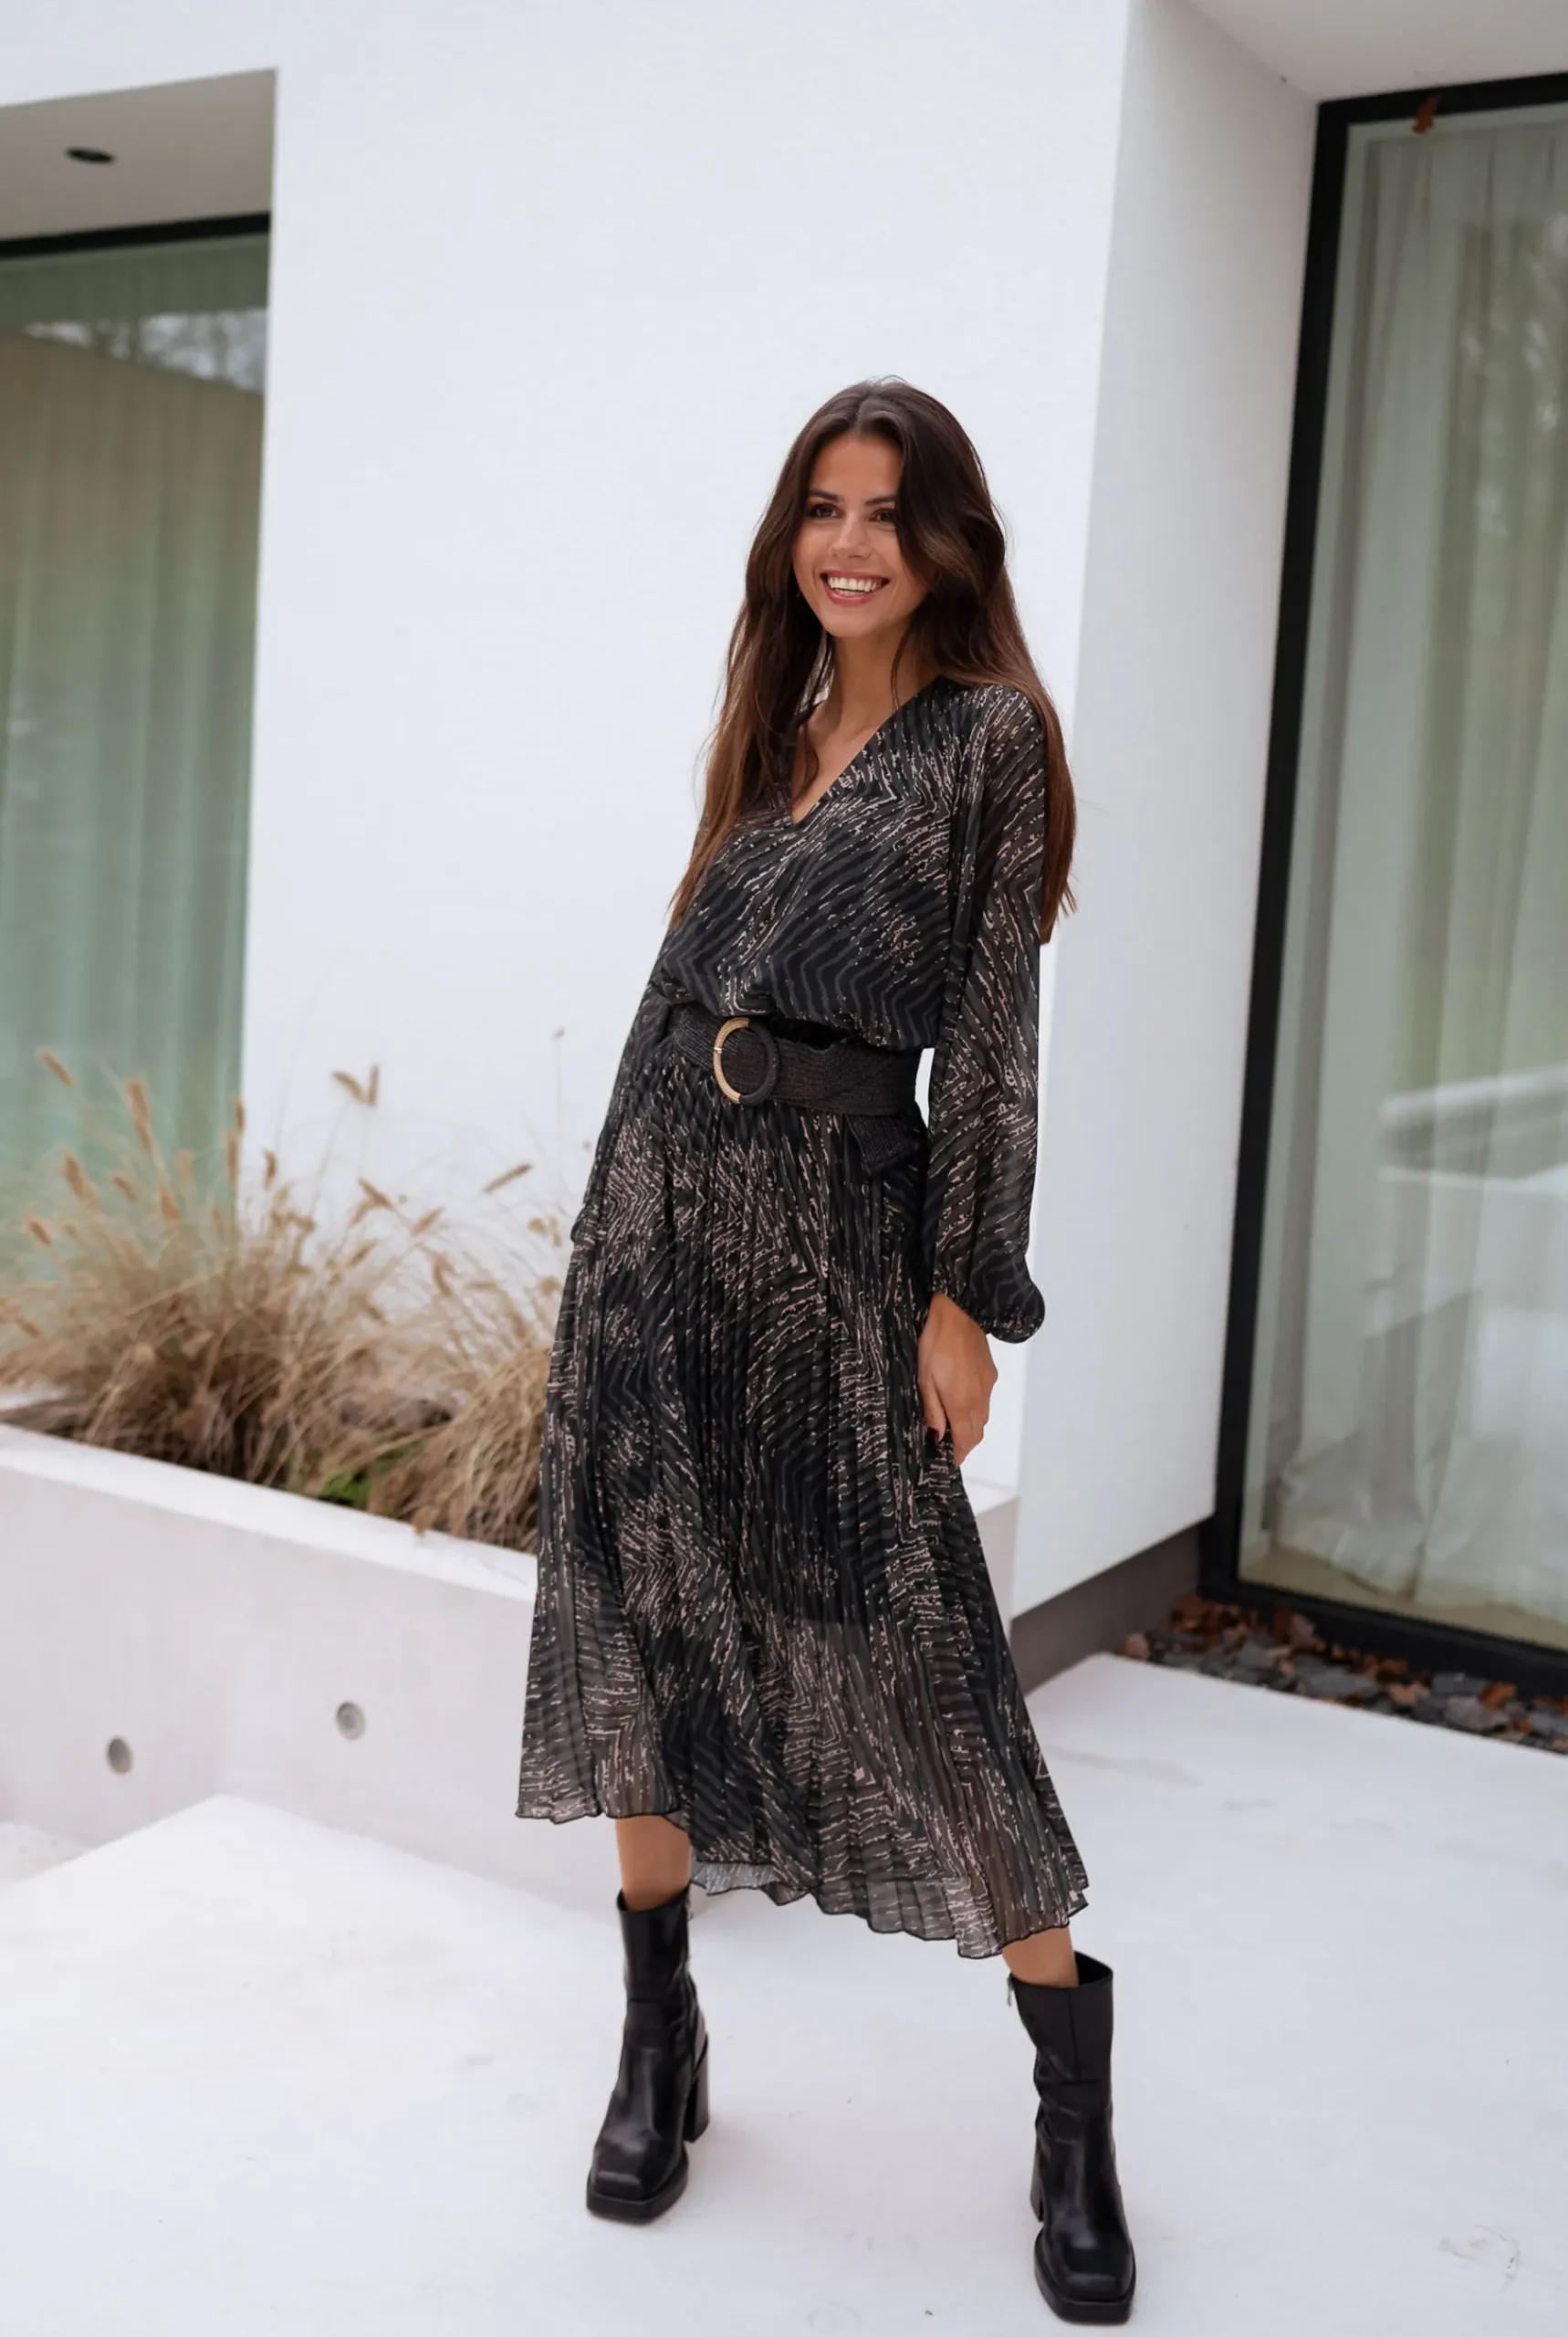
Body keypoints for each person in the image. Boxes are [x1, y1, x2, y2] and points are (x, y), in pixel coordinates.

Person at [517, 380, 1136, 2324]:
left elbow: (993, 1044)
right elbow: (669, 1002)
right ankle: (660, 2038)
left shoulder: (987, 741)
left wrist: (966, 1299)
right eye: (821, 508)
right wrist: (603, 1261)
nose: (848, 544)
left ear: (945, 542)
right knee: (635, 1628)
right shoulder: (771, 735)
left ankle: (1069, 2112)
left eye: (884, 511)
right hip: (658, 1227)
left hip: (835, 1252)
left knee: (930, 1662)